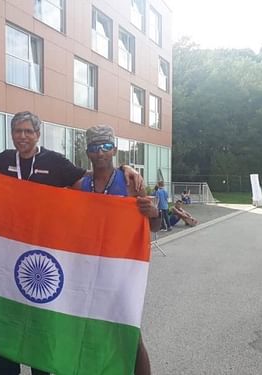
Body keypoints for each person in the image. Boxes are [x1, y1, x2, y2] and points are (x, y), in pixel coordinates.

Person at [0, 111, 147, 375]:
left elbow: (95, 177)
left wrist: (124, 169)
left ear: (38, 134)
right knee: (16, 322)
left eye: (29, 131)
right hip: (14, 256)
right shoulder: (2, 161)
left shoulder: (58, 163)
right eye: (18, 131)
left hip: (88, 261)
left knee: (125, 328)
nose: (23, 136)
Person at [81, 125, 160, 375]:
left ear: (114, 149)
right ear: (88, 153)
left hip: (122, 270)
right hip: (90, 270)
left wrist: (155, 213)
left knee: (129, 334)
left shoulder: (130, 182)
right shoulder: (81, 183)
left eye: (105, 146)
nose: (100, 152)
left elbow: (154, 225)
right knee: (93, 332)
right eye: (95, 148)